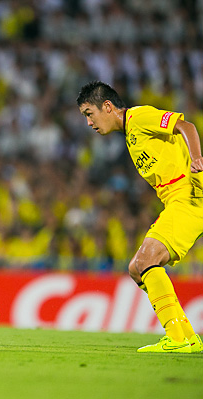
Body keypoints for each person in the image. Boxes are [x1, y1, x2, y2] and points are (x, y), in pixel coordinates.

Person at [77, 81, 203, 353]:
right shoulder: (131, 134)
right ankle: (187, 335)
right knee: (136, 269)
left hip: (190, 197)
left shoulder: (139, 116)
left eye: (89, 113)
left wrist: (197, 159)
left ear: (107, 107)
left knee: (147, 260)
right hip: (176, 201)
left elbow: (187, 126)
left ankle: (178, 338)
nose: (89, 122)